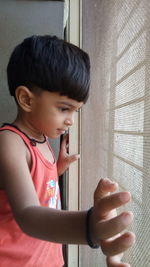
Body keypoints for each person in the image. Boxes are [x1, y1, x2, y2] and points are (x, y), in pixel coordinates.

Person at [0, 35, 135, 267]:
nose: (70, 121)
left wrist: (56, 168)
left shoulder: (41, 137)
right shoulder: (9, 142)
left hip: (48, 258)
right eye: (64, 109)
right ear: (26, 99)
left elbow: (36, 185)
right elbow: (28, 214)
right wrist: (88, 227)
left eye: (76, 111)